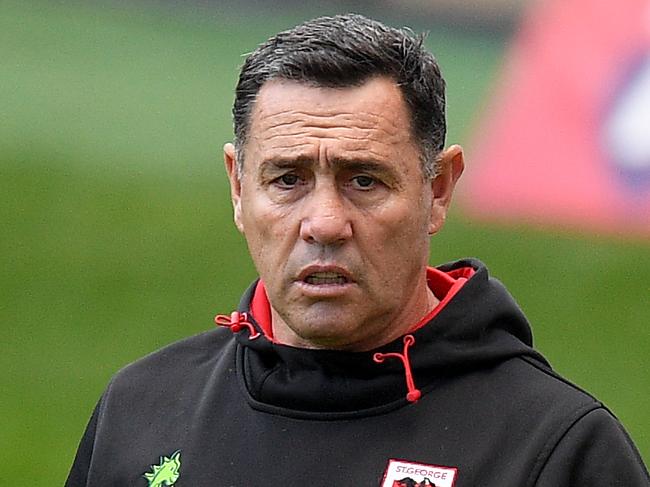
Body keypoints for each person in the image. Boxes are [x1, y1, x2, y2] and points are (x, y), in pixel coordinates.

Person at [66, 14, 649, 487]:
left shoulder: (557, 449)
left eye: (364, 180)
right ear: (238, 189)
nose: (324, 223)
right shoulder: (141, 408)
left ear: (438, 189)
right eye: (287, 180)